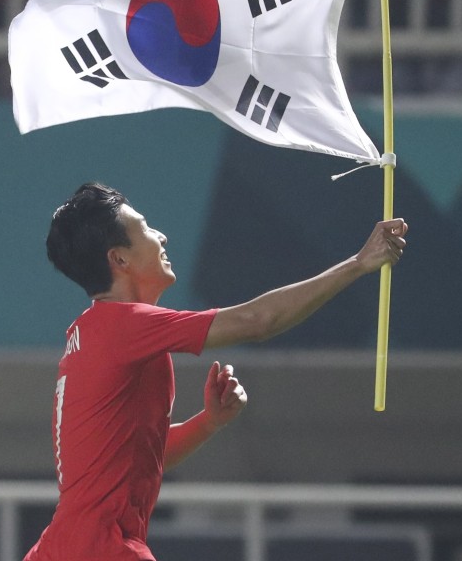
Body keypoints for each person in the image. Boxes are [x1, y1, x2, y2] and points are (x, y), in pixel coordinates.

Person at [23, 182, 408, 561]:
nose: (161, 236)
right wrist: (359, 263)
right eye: (145, 228)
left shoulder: (92, 333)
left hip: (57, 549)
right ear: (120, 260)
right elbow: (257, 320)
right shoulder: (124, 326)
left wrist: (209, 422)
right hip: (102, 549)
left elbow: (143, 457)